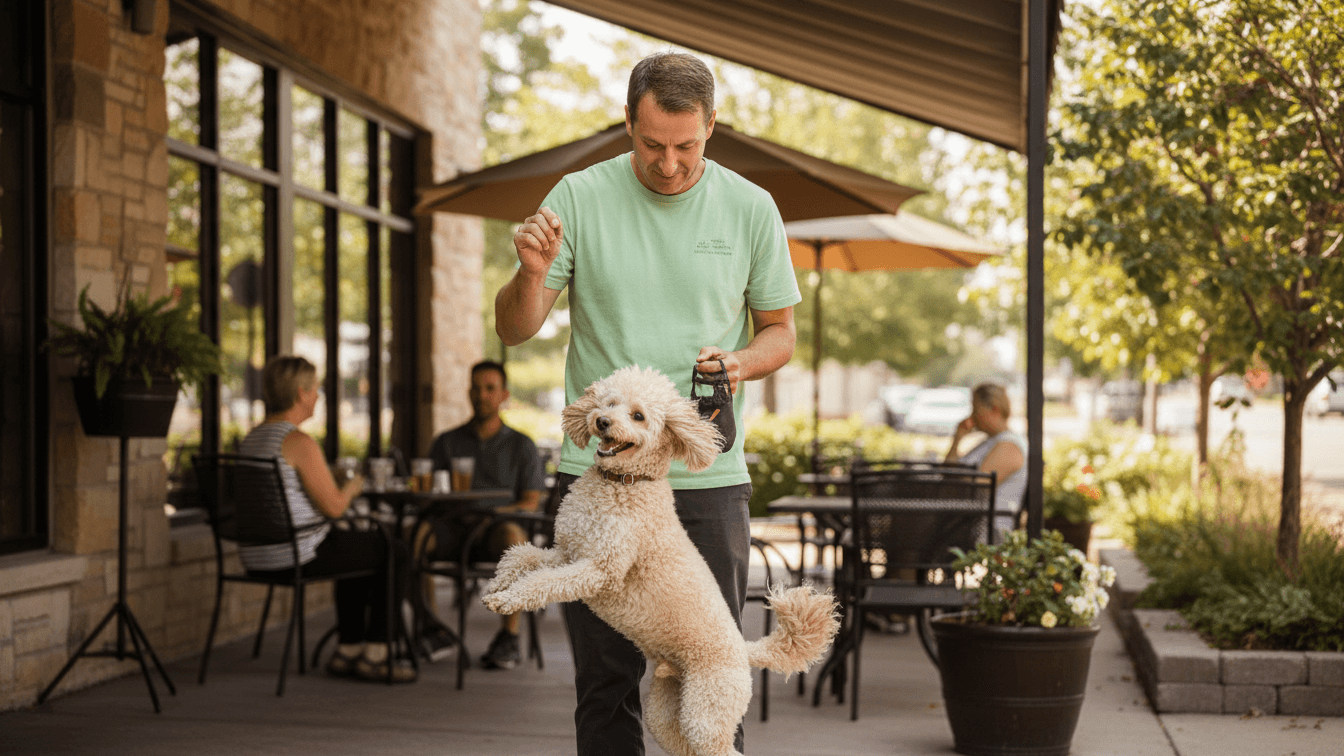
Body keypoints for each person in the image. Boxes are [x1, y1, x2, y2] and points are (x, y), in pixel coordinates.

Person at [494, 51, 800, 755]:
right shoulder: (576, 195)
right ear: (628, 123)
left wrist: (741, 362)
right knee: (603, 684)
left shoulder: (751, 206)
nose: (669, 164)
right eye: (652, 145)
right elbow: (515, 328)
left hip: (707, 480)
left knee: (710, 674)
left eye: (686, 147)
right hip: (597, 477)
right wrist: (531, 274)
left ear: (712, 128)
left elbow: (780, 332)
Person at [238, 355, 415, 683]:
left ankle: (349, 648)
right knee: (395, 550)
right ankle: (377, 652)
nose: (319, 396)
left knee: (359, 546)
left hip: (258, 554)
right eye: (315, 389)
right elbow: (334, 507)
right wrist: (355, 484)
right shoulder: (297, 441)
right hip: (296, 554)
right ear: (300, 394)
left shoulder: (252, 439)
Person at [422, 360, 546, 669]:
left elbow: (531, 502)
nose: (482, 395)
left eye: (490, 389)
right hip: (455, 527)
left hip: (495, 531)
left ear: (503, 395)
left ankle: (508, 637)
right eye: (476, 389)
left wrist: (495, 513)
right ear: (468, 393)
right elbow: (431, 495)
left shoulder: (522, 445)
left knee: (515, 539)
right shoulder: (446, 442)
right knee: (413, 536)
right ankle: (430, 628)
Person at [944, 382, 1027, 534]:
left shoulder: (1009, 444)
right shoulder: (988, 442)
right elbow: (948, 472)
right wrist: (957, 439)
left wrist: (952, 476)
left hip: (988, 530)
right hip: (964, 524)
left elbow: (979, 485)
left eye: (976, 409)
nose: (972, 416)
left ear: (994, 409)